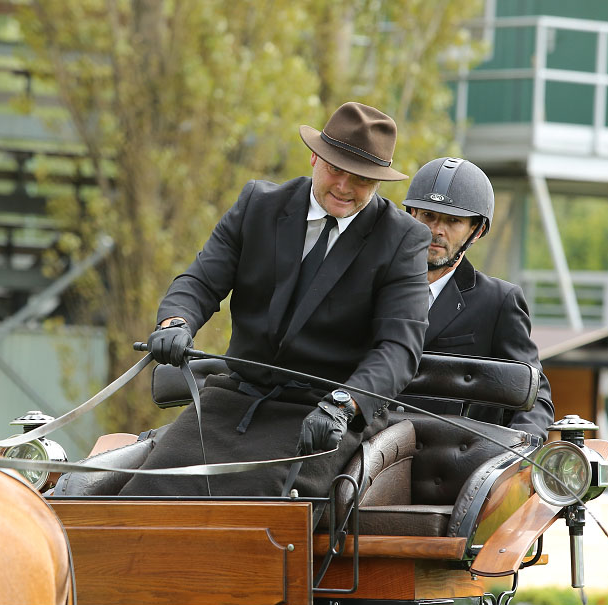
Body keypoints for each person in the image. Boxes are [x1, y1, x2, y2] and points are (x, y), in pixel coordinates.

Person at [120, 102, 432, 497]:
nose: (344, 187)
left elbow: (398, 348)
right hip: (234, 398)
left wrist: (344, 403)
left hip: (323, 416)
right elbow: (200, 280)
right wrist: (175, 322)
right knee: (145, 494)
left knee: (256, 510)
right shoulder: (258, 205)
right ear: (315, 156)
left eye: (362, 180)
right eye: (336, 169)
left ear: (379, 183)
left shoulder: (403, 239)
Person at [401, 157, 554, 437]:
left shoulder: (499, 302)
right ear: (411, 214)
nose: (436, 230)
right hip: (373, 454)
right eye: (428, 216)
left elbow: (534, 398)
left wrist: (516, 455)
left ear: (477, 230)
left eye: (453, 221)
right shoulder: (377, 285)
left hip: (456, 462)